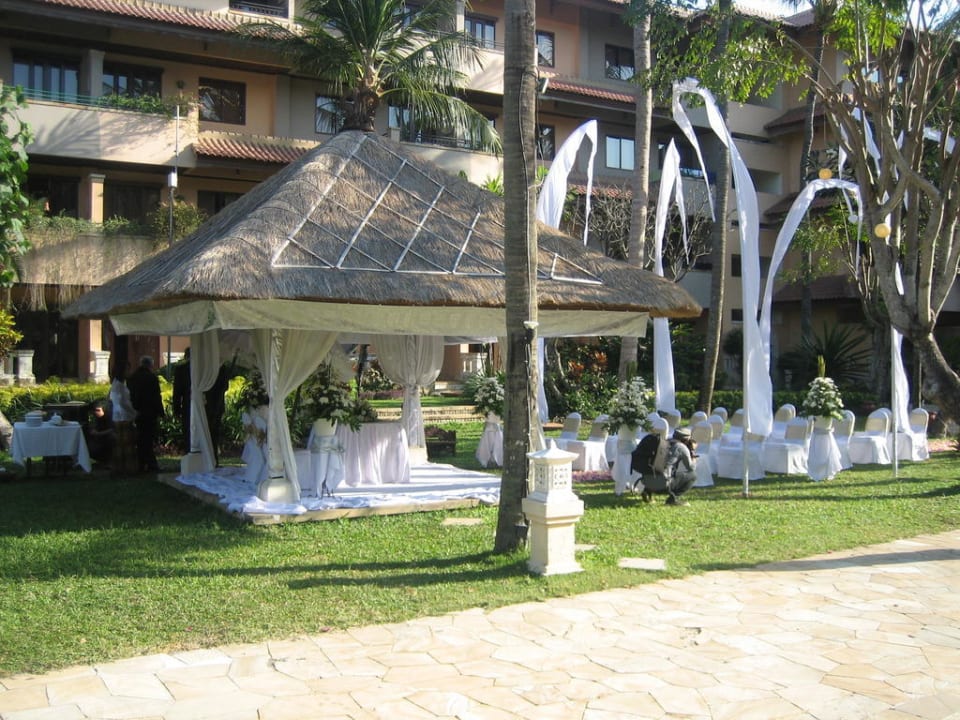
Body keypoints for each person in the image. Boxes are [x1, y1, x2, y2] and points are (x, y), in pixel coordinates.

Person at [639, 427, 698, 506]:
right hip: (663, 486)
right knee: (693, 475)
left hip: (647, 482)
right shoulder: (681, 447)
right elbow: (691, 468)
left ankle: (647, 491)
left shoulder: (663, 443)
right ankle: (672, 499)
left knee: (660, 471)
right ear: (687, 439)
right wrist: (693, 456)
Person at [127, 355, 164, 473]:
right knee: (148, 438)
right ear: (150, 365)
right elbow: (156, 397)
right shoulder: (152, 377)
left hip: (137, 412)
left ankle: (141, 463)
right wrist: (161, 412)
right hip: (149, 412)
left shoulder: (132, 377)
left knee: (141, 438)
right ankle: (150, 464)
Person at [109, 362, 138, 474]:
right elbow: (123, 403)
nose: (129, 372)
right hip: (123, 417)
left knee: (122, 444)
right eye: (127, 370)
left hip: (120, 416)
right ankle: (125, 468)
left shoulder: (119, 384)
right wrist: (133, 412)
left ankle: (122, 468)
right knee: (125, 444)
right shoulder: (118, 386)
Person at [204, 363, 231, 467]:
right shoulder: (221, 368)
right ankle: (212, 458)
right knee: (213, 433)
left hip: (214, 404)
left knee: (213, 433)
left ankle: (213, 458)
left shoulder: (219, 368)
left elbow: (225, 386)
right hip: (212, 404)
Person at [172, 348, 191, 452]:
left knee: (188, 431)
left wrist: (176, 409)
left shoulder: (181, 370)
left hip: (187, 405)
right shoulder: (203, 368)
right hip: (199, 405)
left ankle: (189, 451)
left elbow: (177, 391)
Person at [85, 401, 115, 466]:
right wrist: (93, 429)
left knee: (111, 438)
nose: (95, 413)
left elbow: (113, 429)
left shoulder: (111, 414)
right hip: (99, 435)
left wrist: (99, 433)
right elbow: (93, 426)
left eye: (97, 410)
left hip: (108, 435)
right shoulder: (96, 416)